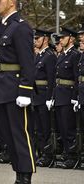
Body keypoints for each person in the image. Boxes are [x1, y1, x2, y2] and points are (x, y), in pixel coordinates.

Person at [0, 0, 36, 183]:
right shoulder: (4, 27)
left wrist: (25, 90)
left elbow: (27, 62)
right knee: (7, 135)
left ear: (11, 2)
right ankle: (18, 174)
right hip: (3, 88)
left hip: (16, 90)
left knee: (20, 135)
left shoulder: (21, 28)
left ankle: (26, 177)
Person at [53, 27, 81, 169]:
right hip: (59, 95)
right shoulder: (62, 55)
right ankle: (66, 152)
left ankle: (72, 156)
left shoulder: (75, 55)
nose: (60, 40)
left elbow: (77, 78)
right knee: (62, 127)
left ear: (71, 38)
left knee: (69, 127)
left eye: (63, 37)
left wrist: (76, 96)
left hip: (68, 95)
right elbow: (56, 78)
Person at [32, 29, 57, 167]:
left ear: (45, 39)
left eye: (38, 38)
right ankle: (41, 153)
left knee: (46, 127)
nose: (35, 41)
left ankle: (48, 155)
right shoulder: (38, 56)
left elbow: (51, 79)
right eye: (35, 38)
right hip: (36, 96)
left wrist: (49, 97)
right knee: (39, 128)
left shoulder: (49, 56)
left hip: (44, 96)